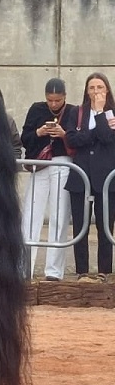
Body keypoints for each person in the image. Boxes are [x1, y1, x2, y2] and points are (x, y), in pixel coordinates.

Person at [20, 78, 73, 280]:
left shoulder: (72, 111)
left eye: (57, 100)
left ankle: (54, 272)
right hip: (39, 164)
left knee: (59, 216)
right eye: (50, 100)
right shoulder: (36, 109)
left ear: (64, 97)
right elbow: (25, 138)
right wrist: (39, 132)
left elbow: (77, 140)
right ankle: (24, 269)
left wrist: (63, 134)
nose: (53, 104)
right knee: (31, 214)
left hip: (62, 161)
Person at [65, 71, 115, 277]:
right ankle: (82, 272)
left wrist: (100, 113)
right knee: (80, 227)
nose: (96, 91)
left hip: (106, 179)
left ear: (107, 90)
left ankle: (104, 272)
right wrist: (93, 130)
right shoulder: (77, 112)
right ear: (86, 91)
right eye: (92, 88)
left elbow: (106, 138)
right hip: (80, 177)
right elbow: (72, 140)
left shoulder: (112, 113)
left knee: (105, 228)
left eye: (100, 87)